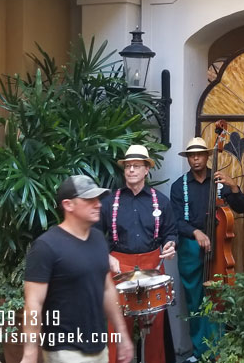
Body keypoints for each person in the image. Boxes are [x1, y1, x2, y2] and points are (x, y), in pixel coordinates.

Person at [21, 175, 134, 363]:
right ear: (68, 205)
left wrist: (122, 334)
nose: (98, 204)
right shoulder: (46, 246)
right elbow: (33, 305)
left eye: (98, 199)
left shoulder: (98, 239)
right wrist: (30, 354)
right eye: (89, 200)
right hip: (65, 351)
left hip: (99, 347)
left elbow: (107, 289)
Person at [97, 145, 178, 363]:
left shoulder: (161, 201)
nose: (131, 170)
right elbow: (94, 234)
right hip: (119, 265)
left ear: (146, 170)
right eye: (128, 166)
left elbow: (171, 232)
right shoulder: (109, 201)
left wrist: (170, 245)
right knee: (116, 326)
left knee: (153, 326)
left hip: (152, 265)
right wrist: (106, 255)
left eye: (136, 166)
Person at [170, 136, 244, 360]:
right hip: (191, 248)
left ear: (206, 156)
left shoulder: (220, 183)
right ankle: (199, 351)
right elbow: (176, 221)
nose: (195, 159)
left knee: (217, 299)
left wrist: (233, 186)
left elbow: (242, 207)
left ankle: (218, 351)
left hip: (219, 249)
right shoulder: (179, 186)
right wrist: (196, 233)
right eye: (191, 155)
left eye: (200, 154)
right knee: (195, 300)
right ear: (188, 159)